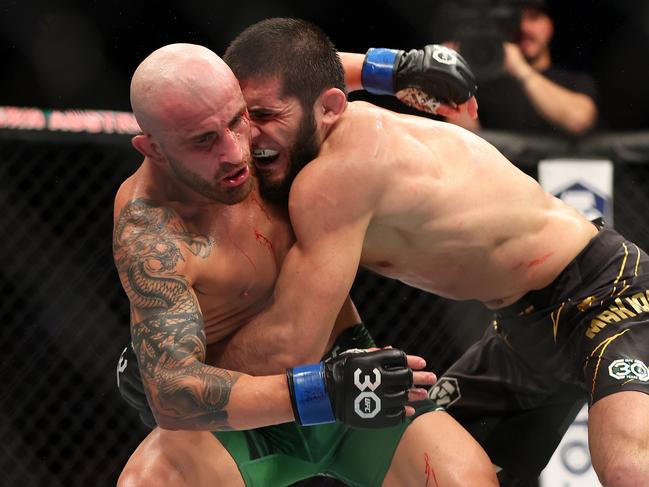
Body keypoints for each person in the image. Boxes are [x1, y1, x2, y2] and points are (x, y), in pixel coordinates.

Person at [196, 17, 647, 487]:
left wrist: (177, 375)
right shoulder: (310, 125)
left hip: (608, 294)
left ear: (326, 109)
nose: (249, 137)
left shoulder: (332, 178)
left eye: (265, 118)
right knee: (440, 474)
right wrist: (384, 68)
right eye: (242, 118)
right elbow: (295, 77)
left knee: (629, 467)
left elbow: (293, 346)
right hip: (521, 332)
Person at [114, 40, 498, 486]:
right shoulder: (151, 230)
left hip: (348, 372)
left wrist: (393, 70)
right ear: (153, 148)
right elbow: (172, 394)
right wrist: (319, 391)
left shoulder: (250, 125)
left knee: (466, 479)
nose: (236, 152)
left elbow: (295, 71)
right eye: (203, 141)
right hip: (243, 415)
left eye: (237, 119)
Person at [449, 0, 598, 135]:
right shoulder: (485, 85)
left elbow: (579, 120)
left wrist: (521, 69)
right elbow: (464, 141)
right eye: (514, 21)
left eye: (533, 18)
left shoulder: (573, 81)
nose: (524, 27)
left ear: (549, 27)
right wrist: (456, 77)